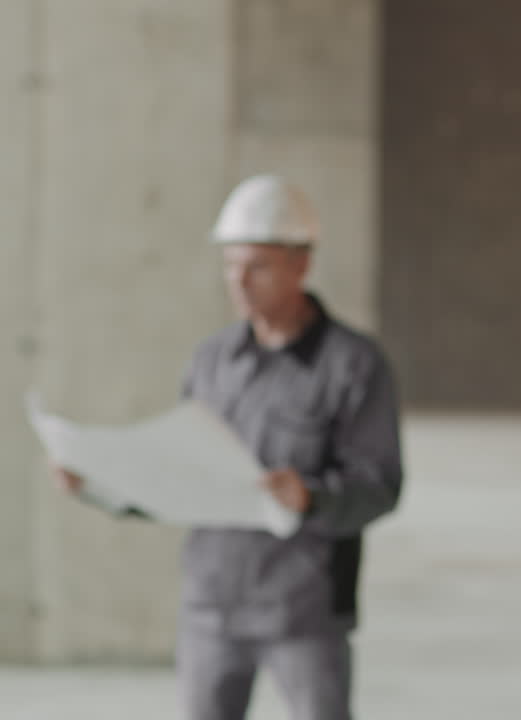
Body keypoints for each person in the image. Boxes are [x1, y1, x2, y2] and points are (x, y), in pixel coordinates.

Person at [52, 174, 403, 720]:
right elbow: (179, 481)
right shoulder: (211, 360)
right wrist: (100, 486)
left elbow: (379, 486)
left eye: (257, 266)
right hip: (210, 609)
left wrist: (307, 496)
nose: (239, 281)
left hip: (303, 614)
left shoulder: (354, 364)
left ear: (301, 264)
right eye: (230, 265)